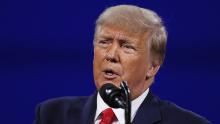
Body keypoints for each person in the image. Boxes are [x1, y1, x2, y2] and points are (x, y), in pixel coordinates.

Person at [33, 5, 211, 124]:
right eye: (104, 42)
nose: (111, 55)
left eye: (127, 46)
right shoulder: (52, 115)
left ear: (153, 66)